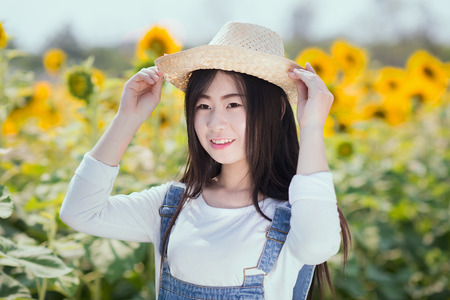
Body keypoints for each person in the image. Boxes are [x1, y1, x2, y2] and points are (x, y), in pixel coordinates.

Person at [61, 21, 351, 299]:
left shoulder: (294, 215)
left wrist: (312, 126)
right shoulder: (173, 206)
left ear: (275, 110)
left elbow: (317, 245)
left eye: (233, 104)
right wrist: (127, 118)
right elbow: (80, 212)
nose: (215, 122)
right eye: (203, 105)